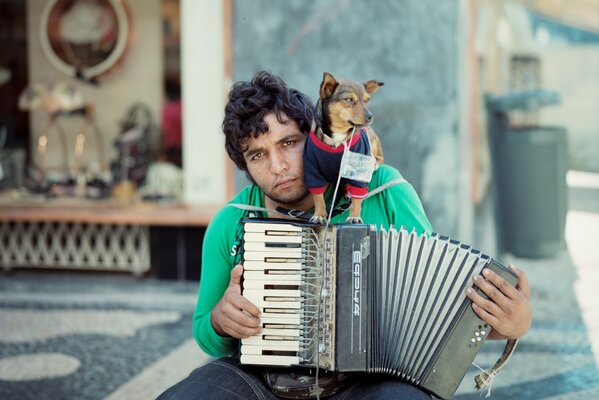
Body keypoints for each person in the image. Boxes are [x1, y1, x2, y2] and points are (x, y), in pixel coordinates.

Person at [158, 71, 532, 399]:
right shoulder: (231, 222)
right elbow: (206, 331)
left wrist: (508, 326)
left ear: (316, 134)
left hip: (370, 380)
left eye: (289, 143)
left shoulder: (385, 191)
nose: (278, 166)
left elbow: (433, 308)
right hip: (262, 381)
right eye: (258, 155)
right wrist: (221, 321)